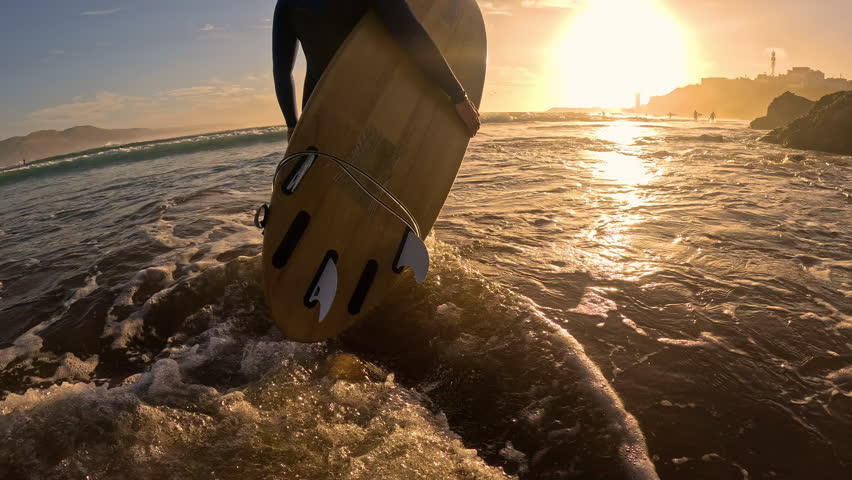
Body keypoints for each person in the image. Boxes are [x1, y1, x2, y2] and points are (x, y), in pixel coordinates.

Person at [273, 0, 481, 140]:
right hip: (376, 104)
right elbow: (411, 36)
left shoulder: (286, 4)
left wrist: (293, 125)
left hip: (319, 110)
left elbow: (281, 71)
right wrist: (457, 95)